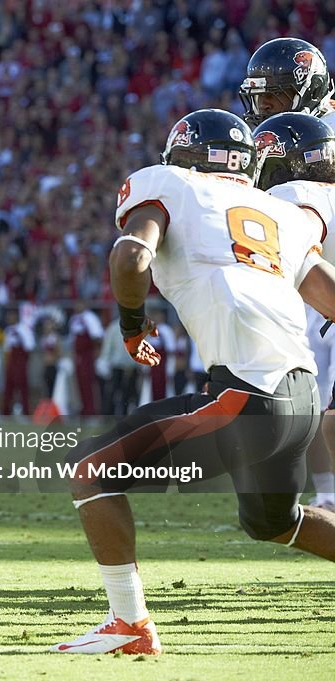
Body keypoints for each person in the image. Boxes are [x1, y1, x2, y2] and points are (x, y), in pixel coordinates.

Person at [53, 109, 335, 655]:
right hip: (303, 396)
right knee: (275, 521)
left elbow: (131, 254)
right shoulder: (282, 212)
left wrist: (133, 327)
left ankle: (129, 625)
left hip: (248, 394)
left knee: (92, 472)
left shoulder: (168, 184)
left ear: (182, 154)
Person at [240, 38, 335, 510]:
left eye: (273, 95)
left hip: (314, 262)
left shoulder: (328, 132)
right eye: (258, 96)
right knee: (312, 395)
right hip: (302, 272)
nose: (263, 106)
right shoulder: (270, 138)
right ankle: (329, 495)